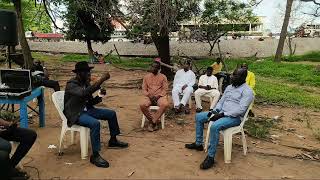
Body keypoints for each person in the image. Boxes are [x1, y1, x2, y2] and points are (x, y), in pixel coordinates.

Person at [185, 68, 254, 170]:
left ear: (243, 78)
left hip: (234, 118)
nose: (231, 77)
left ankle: (211, 157)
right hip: (221, 113)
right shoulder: (230, 87)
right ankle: (198, 144)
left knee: (215, 126)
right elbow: (221, 101)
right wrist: (215, 111)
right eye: (232, 74)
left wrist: (222, 114)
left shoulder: (247, 91)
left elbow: (241, 110)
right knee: (199, 117)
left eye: (235, 75)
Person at [64, 61, 128, 168]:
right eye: (86, 72)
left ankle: (113, 140)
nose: (89, 74)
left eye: (89, 71)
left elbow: (90, 102)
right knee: (95, 124)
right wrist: (101, 80)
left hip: (87, 110)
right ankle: (95, 155)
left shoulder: (86, 83)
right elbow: (83, 93)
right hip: (76, 113)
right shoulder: (71, 84)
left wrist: (99, 96)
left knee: (111, 114)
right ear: (79, 73)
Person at [140, 61, 169, 132]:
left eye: (154, 67)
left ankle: (152, 122)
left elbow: (165, 90)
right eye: (151, 66)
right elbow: (144, 89)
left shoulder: (163, 77)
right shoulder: (146, 77)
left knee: (165, 104)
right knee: (142, 104)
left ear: (158, 68)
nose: (152, 68)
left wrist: (158, 96)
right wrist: (149, 96)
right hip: (149, 97)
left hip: (159, 97)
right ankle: (154, 121)